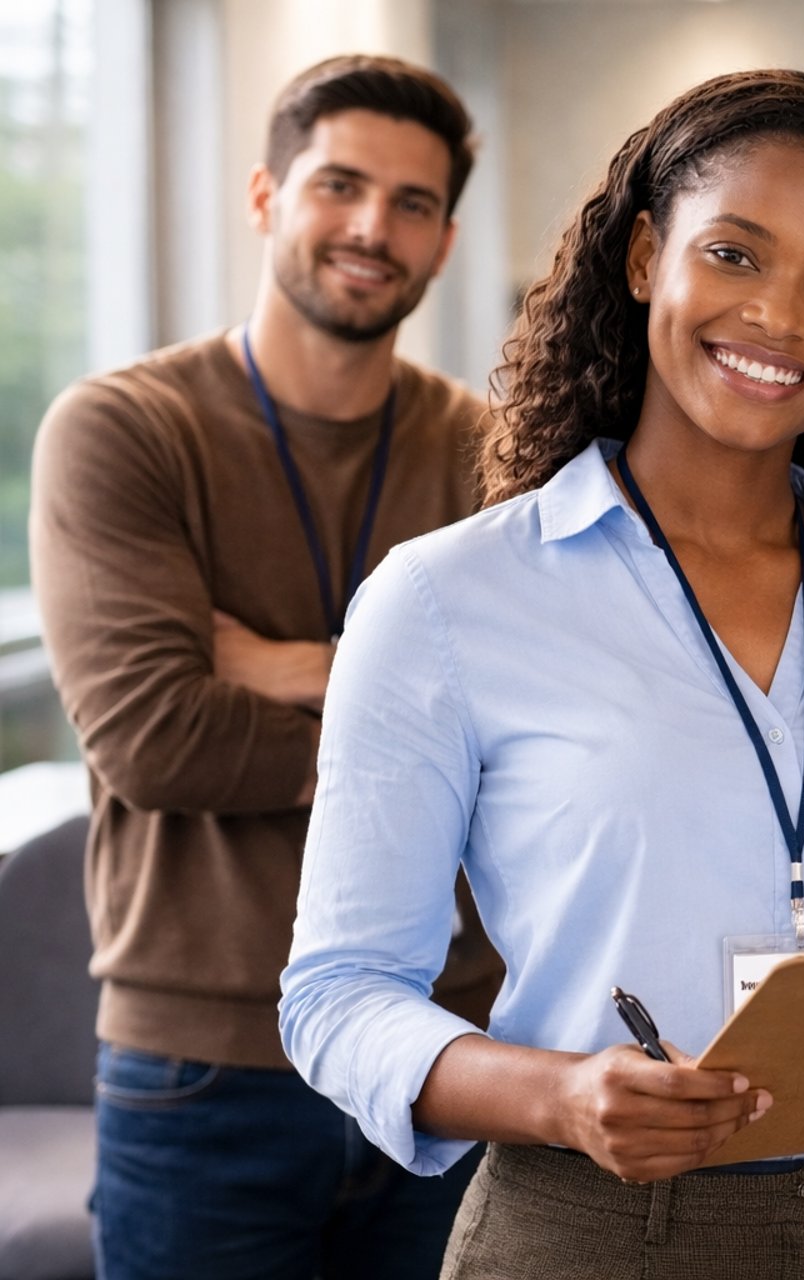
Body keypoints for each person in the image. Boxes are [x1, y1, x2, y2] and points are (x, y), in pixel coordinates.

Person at [278, 69, 804, 1278]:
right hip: (593, 1227)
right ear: (648, 255)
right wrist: (557, 1094)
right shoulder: (448, 599)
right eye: (737, 255)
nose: (780, 318)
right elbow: (337, 994)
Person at [28, 55, 502, 1280]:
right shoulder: (125, 428)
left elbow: (536, 734)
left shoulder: (487, 452)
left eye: (411, 204)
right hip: (206, 1065)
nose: (370, 227)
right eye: (339, 184)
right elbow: (156, 738)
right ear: (264, 195)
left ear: (446, 240)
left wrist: (282, 664)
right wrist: (415, 725)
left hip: (448, 1050)